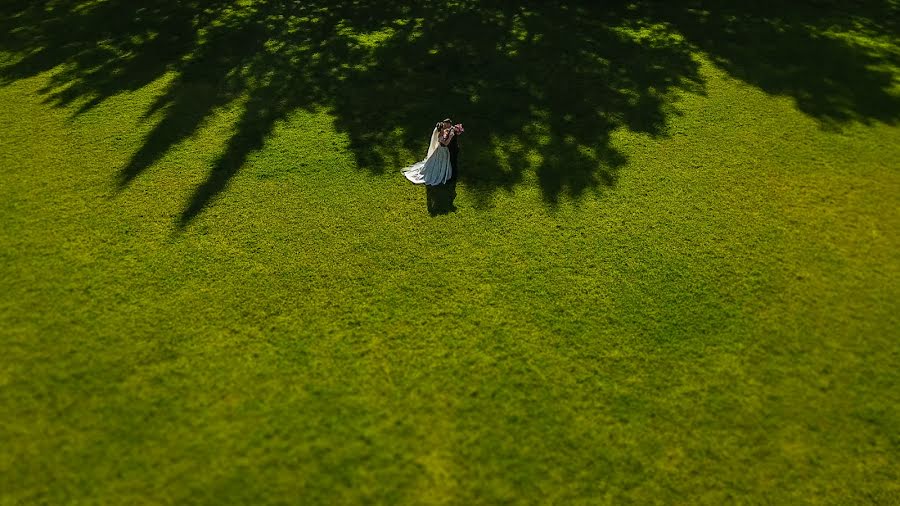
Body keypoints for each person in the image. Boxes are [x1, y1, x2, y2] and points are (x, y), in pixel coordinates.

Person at [402, 119, 462, 186]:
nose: (445, 128)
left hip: (443, 150)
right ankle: (442, 173)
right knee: (441, 162)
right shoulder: (440, 136)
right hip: (442, 150)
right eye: (443, 128)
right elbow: (445, 143)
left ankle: (446, 172)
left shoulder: (443, 132)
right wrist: (450, 137)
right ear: (440, 130)